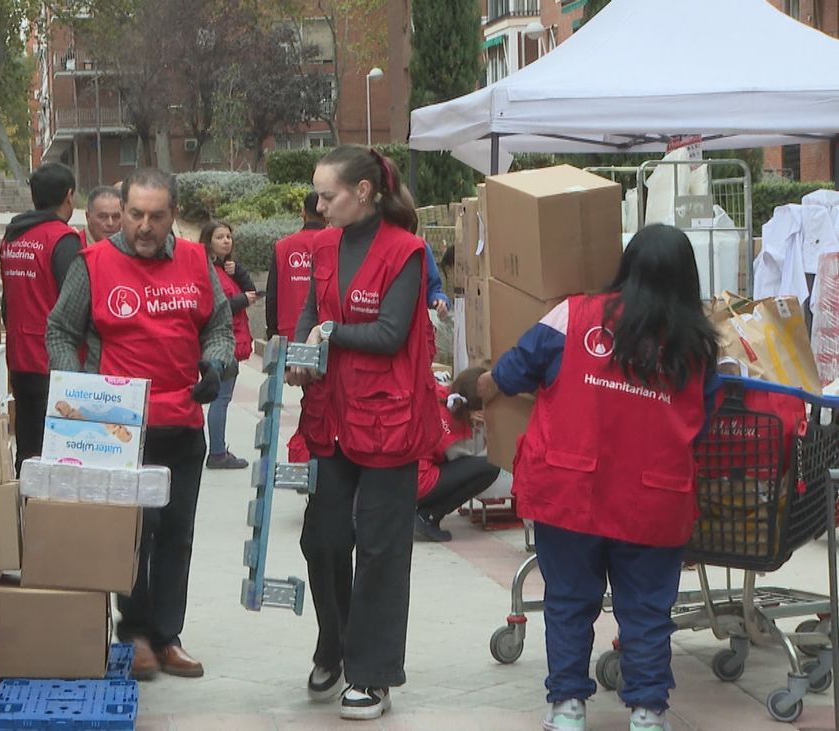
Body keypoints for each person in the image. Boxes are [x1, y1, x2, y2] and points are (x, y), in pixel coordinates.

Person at [476, 223, 721, 731]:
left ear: (627, 265)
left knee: (568, 602)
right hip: (654, 500)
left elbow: (516, 371)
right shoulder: (698, 347)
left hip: (571, 491)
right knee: (648, 611)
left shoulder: (575, 315)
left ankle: (567, 708)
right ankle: (649, 712)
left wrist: (484, 384)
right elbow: (703, 422)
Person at [46, 168, 237, 682]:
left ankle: (167, 636)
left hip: (182, 423)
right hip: (118, 429)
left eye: (156, 216)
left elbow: (218, 327)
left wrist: (214, 367)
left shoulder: (197, 262)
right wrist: (77, 387)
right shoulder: (93, 264)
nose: (144, 227)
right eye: (135, 215)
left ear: (173, 215)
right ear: (120, 212)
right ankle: (134, 633)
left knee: (176, 532)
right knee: (136, 532)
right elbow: (61, 329)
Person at [288, 145, 441, 721]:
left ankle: (372, 673)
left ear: (365, 192)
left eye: (328, 196)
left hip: (388, 419)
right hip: (330, 415)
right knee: (322, 539)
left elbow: (391, 333)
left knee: (380, 550)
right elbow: (310, 310)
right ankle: (335, 641)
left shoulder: (406, 252)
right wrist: (305, 347)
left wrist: (329, 334)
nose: (319, 205)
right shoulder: (323, 246)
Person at [0, 162, 82, 475]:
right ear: (69, 196)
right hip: (53, 361)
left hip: (19, 356)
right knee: (58, 452)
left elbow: (8, 302)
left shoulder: (13, 238)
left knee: (28, 446)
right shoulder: (62, 239)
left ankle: (24, 512)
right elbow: (74, 303)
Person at [414, 366, 501, 543]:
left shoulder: (441, 395)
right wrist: (486, 432)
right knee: (490, 467)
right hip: (420, 482)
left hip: (405, 474)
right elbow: (470, 463)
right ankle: (428, 516)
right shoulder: (453, 427)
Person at [200, 220, 257, 469]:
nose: (226, 241)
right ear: (208, 241)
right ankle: (217, 452)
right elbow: (215, 307)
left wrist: (238, 272)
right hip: (220, 343)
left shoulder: (226, 268)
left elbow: (251, 290)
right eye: (220, 237)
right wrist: (241, 300)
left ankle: (218, 450)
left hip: (231, 340)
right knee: (221, 398)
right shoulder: (206, 269)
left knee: (222, 398)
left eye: (229, 237)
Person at [267, 192, 326, 340]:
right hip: (326, 333)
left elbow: (272, 294)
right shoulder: (336, 244)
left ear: (303, 212)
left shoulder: (282, 246)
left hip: (288, 332)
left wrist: (272, 331)